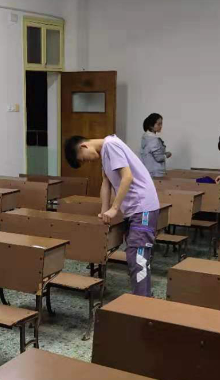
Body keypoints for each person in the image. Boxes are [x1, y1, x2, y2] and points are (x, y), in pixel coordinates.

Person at [65, 134, 159, 297]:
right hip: (135, 209)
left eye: (84, 159)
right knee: (135, 256)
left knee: (138, 258)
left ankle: (143, 303)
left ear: (84, 146)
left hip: (143, 207)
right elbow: (106, 183)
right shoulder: (105, 153)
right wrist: (104, 209)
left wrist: (114, 208)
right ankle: (143, 299)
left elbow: (127, 177)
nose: (88, 162)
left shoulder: (111, 145)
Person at [140, 113, 172, 178]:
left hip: (147, 172)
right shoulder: (154, 140)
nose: (161, 126)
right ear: (151, 126)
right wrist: (167, 155)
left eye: (161, 124)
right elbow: (158, 158)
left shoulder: (145, 137)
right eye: (158, 124)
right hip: (155, 174)